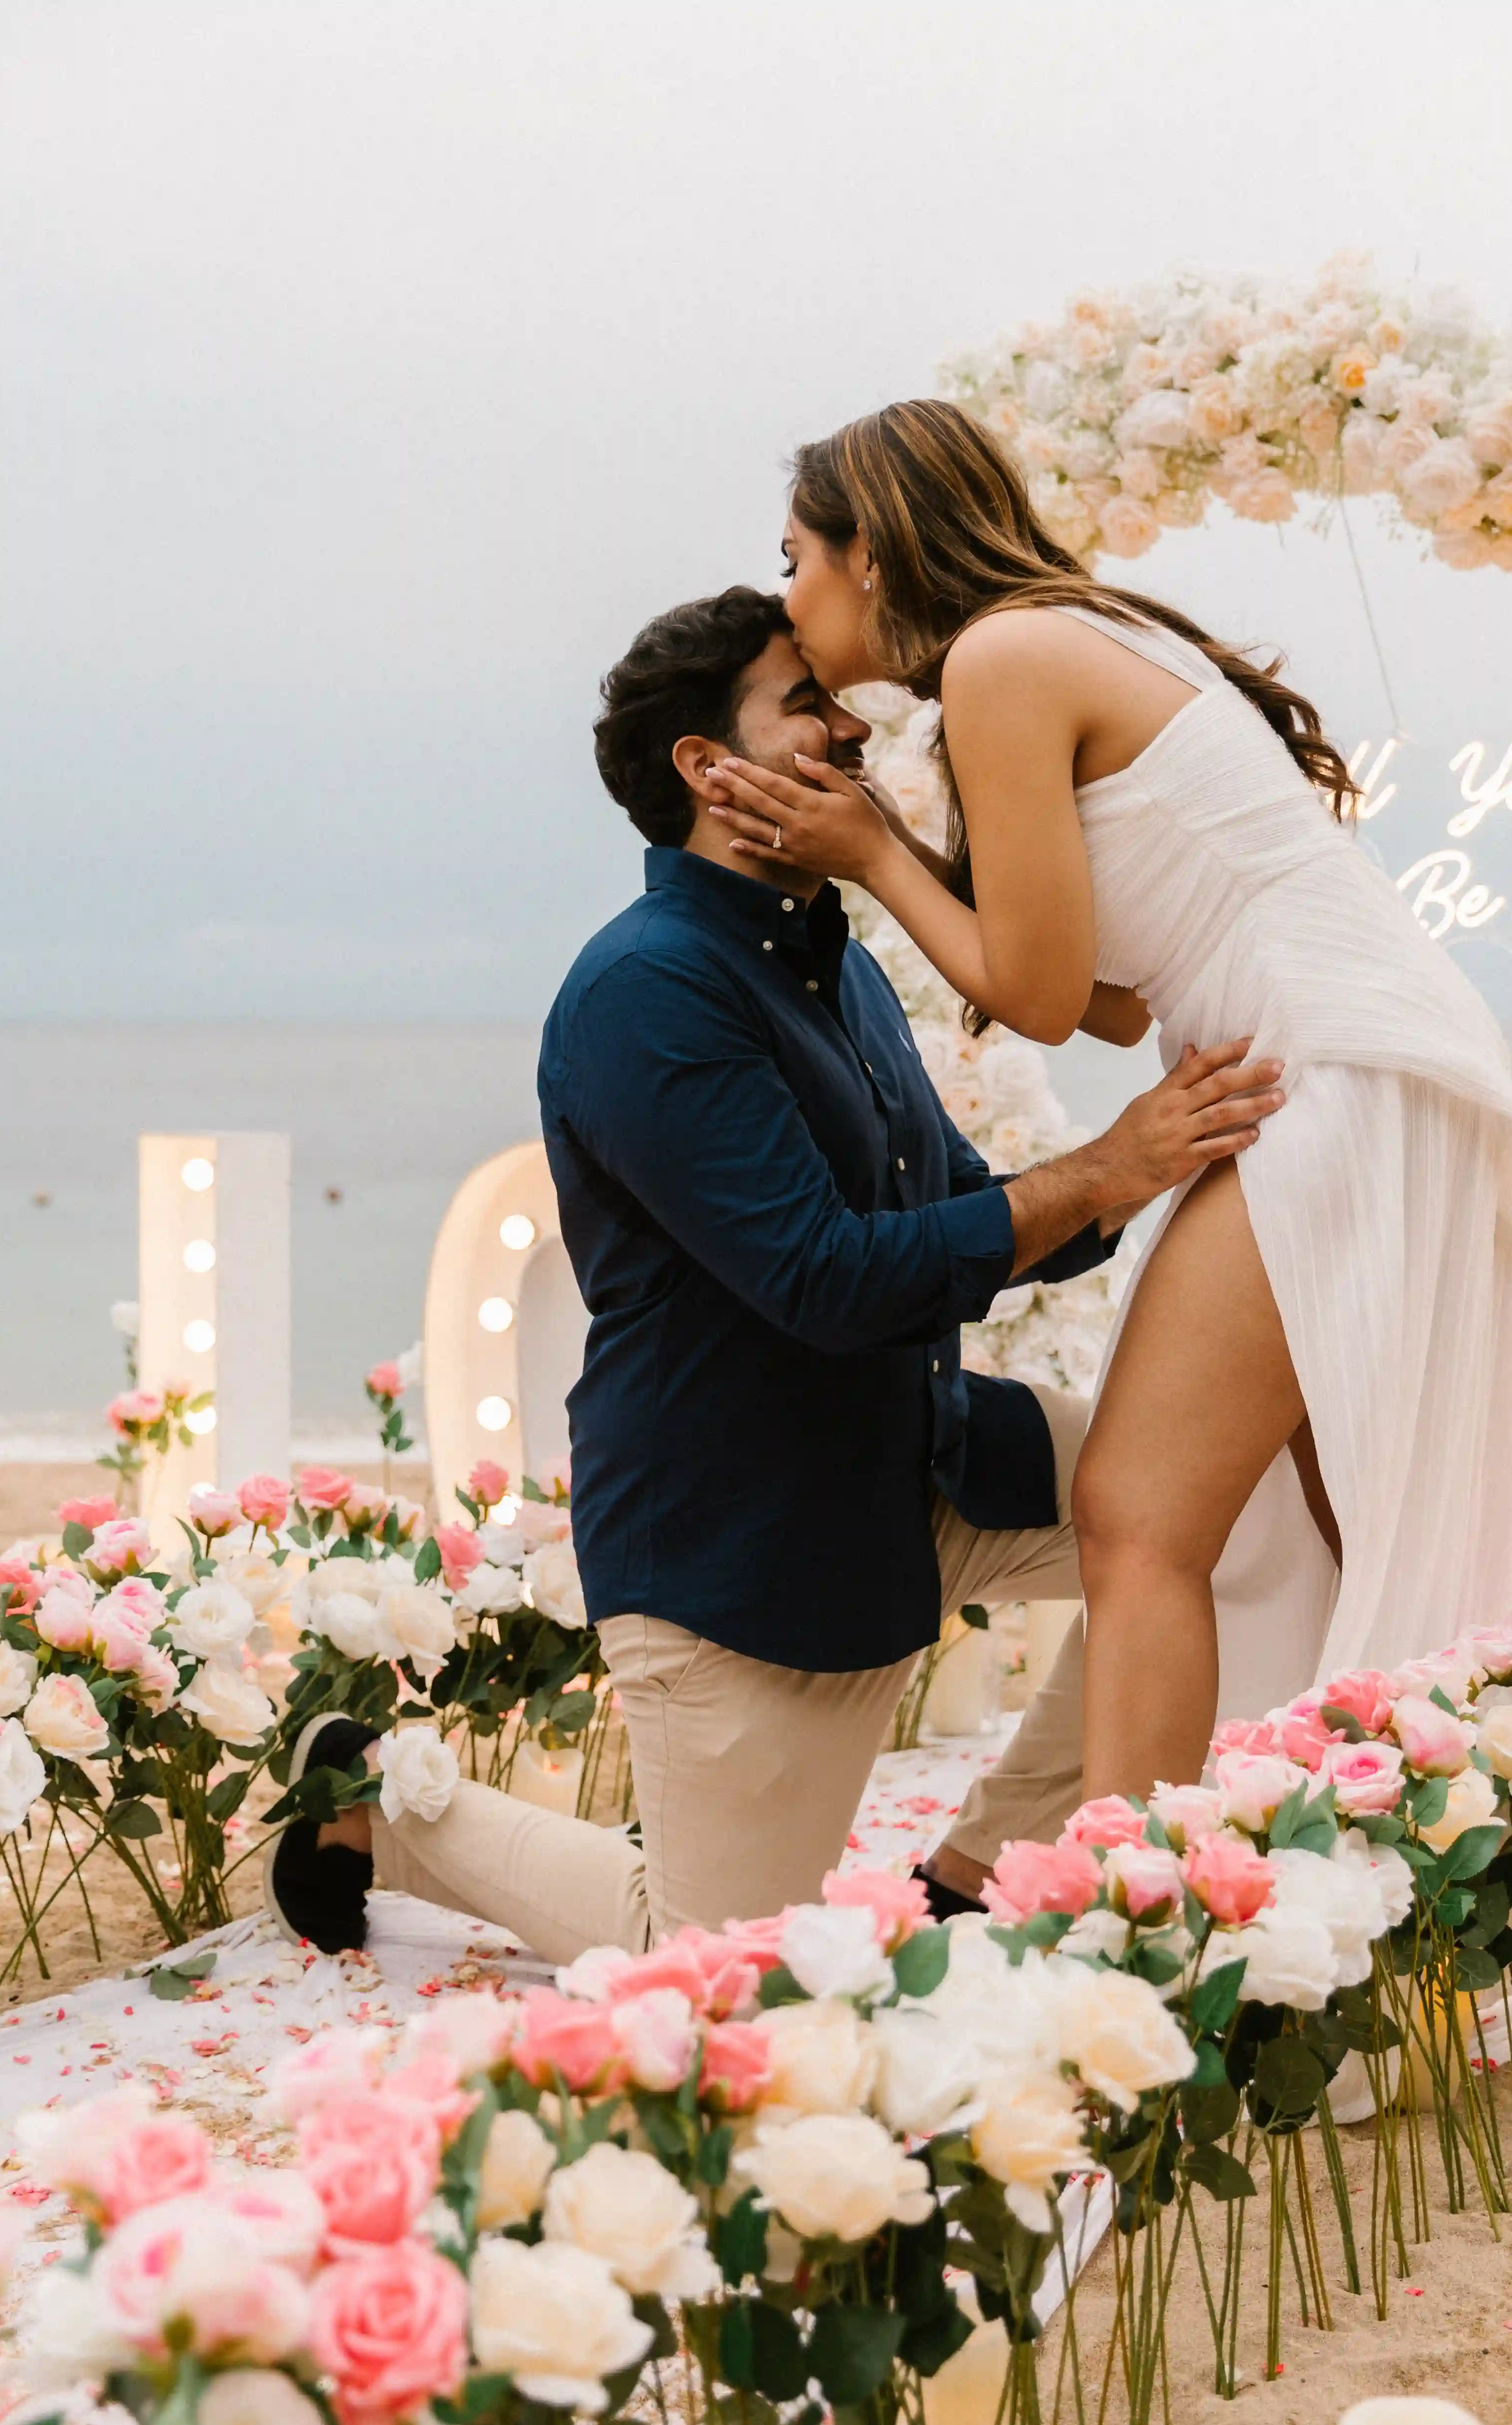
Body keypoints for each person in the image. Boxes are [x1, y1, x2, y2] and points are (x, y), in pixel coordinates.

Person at [264, 585, 1288, 1958]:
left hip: (933, 1462)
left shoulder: (839, 967)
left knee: (1221, 1527)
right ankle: (384, 1810)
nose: (851, 724)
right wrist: (1108, 1168)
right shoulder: (647, 992)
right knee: (716, 1961)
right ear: (708, 766)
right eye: (806, 704)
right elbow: (827, 1278)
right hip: (747, 1543)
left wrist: (1165, 1169)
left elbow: (963, 1213)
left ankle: (983, 1872)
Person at [701, 401, 1512, 1806]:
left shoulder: (1003, 659)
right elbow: (1116, 997)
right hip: (1351, 1061)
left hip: (1322, 1070)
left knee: (1135, 1516)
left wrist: (868, 854)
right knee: (1346, 1518)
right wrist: (903, 846)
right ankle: (1408, 1844)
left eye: (796, 558)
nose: (786, 596)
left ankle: (1125, 1918)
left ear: (875, 556)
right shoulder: (1062, 635)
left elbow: (1035, 997)